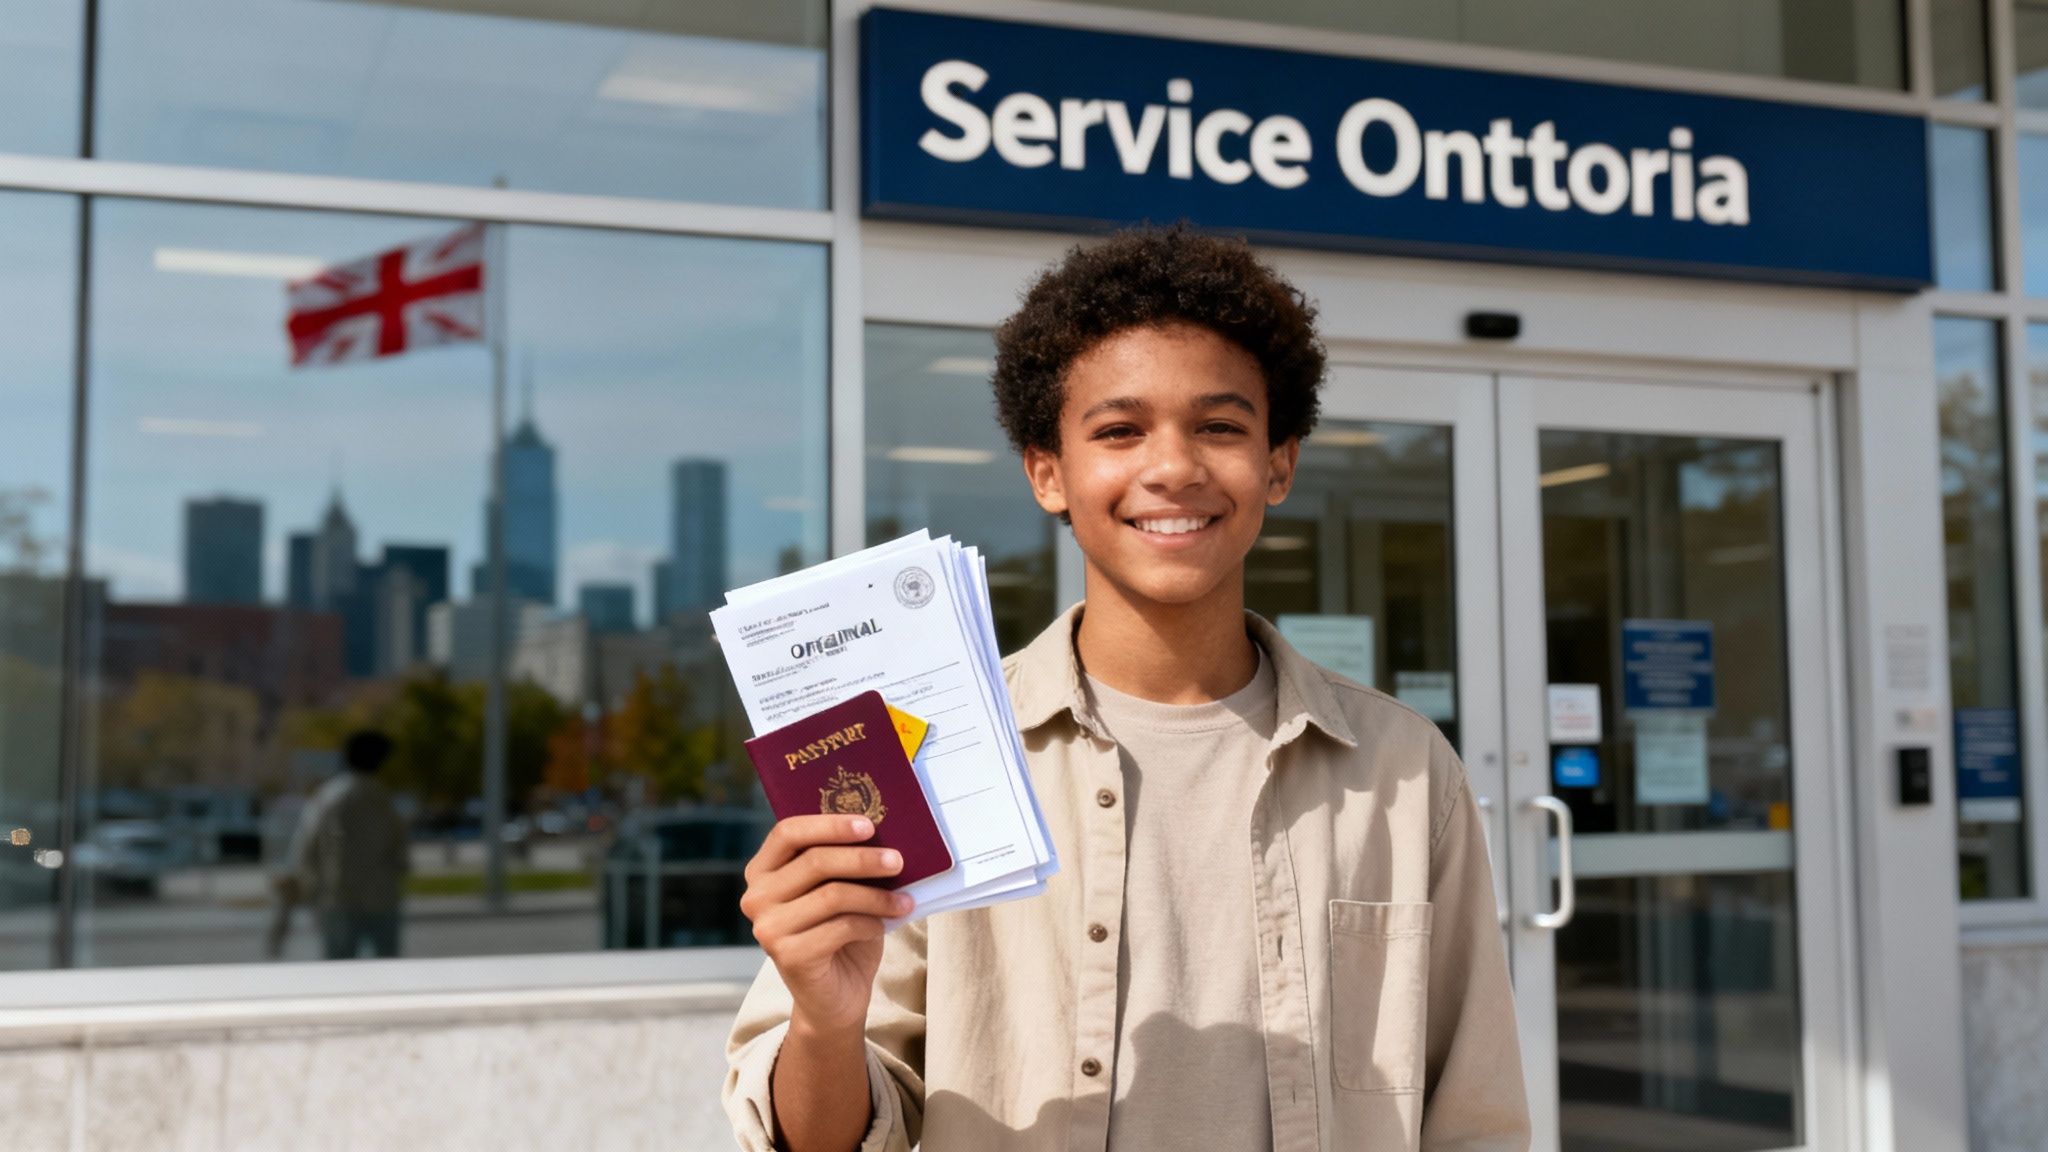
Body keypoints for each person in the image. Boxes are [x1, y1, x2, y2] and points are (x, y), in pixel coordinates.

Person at [724, 226, 1530, 1151]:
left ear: (1280, 463)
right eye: (1119, 430)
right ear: (1047, 473)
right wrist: (825, 1019)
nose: (1174, 466)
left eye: (1221, 426)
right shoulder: (931, 756)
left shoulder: (1402, 771)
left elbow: (1476, 1117)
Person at [288, 728, 411, 960]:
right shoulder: (373, 796)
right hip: (366, 896)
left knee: (342, 967)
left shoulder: (333, 795)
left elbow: (306, 845)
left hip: (342, 896)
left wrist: (311, 885)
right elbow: (399, 844)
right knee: (381, 965)